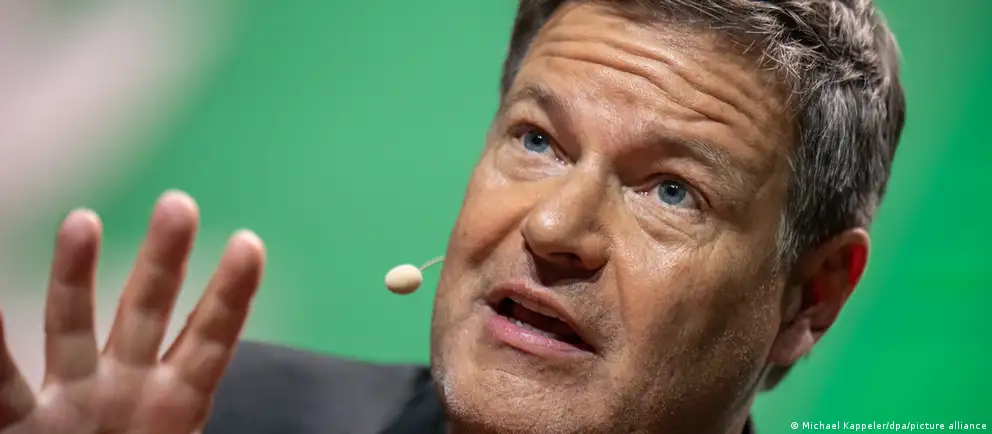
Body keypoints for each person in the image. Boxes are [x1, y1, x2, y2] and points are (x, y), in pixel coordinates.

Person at [0, 0, 906, 433]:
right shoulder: (223, 420)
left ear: (812, 296)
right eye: (538, 141)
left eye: (672, 190)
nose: (552, 230)